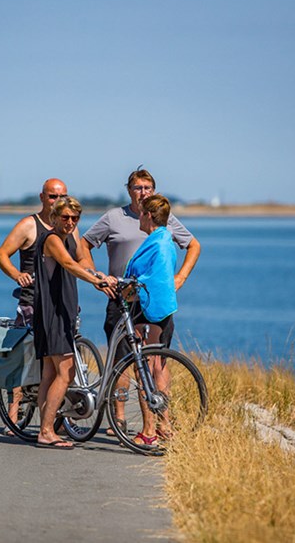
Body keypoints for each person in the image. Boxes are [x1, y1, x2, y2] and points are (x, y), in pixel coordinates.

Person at [81, 168, 200, 435]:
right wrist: (96, 276)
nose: (143, 192)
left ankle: (161, 423)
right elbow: (84, 243)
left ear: (154, 191)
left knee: (155, 361)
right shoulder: (114, 217)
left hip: (152, 300)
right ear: (129, 190)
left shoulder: (162, 219)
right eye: (138, 187)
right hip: (120, 298)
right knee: (121, 360)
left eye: (148, 187)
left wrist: (180, 277)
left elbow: (193, 245)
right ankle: (119, 418)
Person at [33, 197, 115, 449]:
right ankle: (46, 431)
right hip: (52, 312)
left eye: (75, 218)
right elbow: (69, 264)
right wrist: (95, 282)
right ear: (54, 218)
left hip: (63, 310)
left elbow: (83, 261)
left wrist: (98, 274)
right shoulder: (52, 239)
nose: (70, 222)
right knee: (66, 372)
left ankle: (48, 427)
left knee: (49, 373)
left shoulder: (70, 238)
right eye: (65, 217)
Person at [0, 178, 70, 435]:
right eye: (52, 196)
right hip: (32, 302)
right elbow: (1, 254)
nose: (58, 201)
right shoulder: (29, 225)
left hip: (60, 303)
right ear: (42, 197)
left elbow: (78, 258)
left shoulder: (68, 226)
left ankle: (56, 417)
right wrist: (17, 274)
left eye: (62, 196)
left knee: (59, 362)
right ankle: (13, 417)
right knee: (25, 361)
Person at [123, 195, 177, 445]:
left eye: (141, 213)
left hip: (149, 310)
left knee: (145, 367)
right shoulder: (163, 239)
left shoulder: (158, 243)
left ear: (148, 216)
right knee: (157, 368)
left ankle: (149, 432)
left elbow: (153, 277)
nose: (138, 218)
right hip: (160, 309)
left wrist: (130, 287)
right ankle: (164, 427)